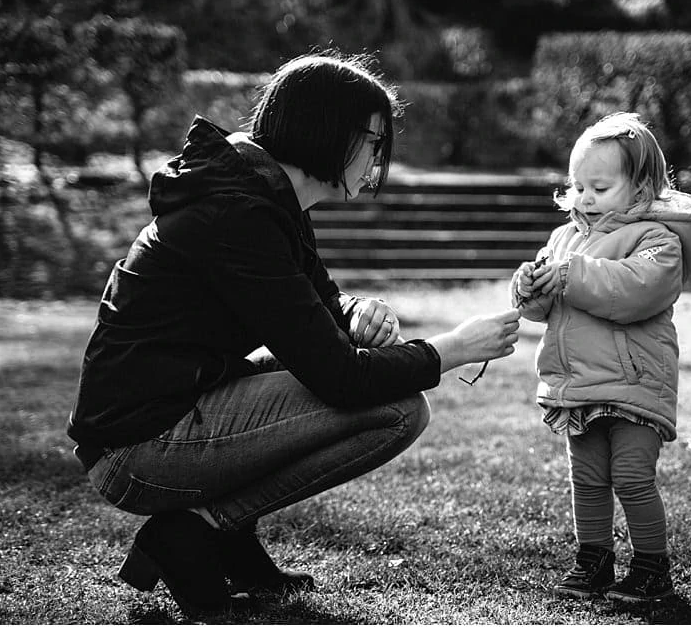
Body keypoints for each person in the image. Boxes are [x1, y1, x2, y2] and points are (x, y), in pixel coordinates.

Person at [68, 51, 520, 622]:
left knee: (366, 389)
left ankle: (225, 540)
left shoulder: (258, 193)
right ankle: (195, 532)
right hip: (138, 450)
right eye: (374, 141)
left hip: (168, 415)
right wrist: (456, 348)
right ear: (327, 132)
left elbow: (318, 308)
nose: (378, 159)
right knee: (399, 411)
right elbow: (341, 378)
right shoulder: (237, 212)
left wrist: (354, 314)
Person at [511, 113, 691, 607]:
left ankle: (650, 568)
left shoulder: (658, 239)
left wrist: (570, 275)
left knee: (633, 477)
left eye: (599, 186)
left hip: (635, 383)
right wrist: (530, 287)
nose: (585, 198)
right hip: (579, 385)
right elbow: (542, 309)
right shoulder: (564, 239)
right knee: (588, 478)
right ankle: (593, 558)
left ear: (641, 188)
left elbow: (634, 291)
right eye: (578, 185)